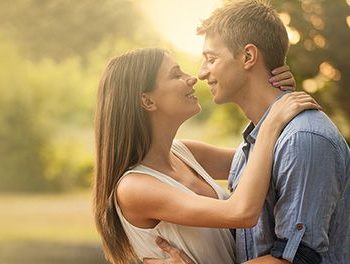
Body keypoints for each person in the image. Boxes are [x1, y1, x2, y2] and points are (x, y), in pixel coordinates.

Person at [145, 0, 350, 263]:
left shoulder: (303, 139)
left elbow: (297, 258)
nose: (201, 73)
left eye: (211, 59)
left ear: (248, 57)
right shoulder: (255, 143)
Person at [93, 47, 320, 264]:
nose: (192, 78)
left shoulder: (187, 153)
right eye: (175, 74)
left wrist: (273, 95)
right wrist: (272, 122)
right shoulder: (134, 188)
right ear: (147, 101)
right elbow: (242, 212)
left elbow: (276, 159)